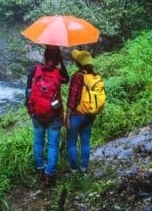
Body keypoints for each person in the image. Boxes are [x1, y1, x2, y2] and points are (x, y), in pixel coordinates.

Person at [25, 45, 69, 186]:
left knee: (38, 142)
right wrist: (61, 62)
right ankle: (50, 175)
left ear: (44, 55)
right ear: (57, 59)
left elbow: (28, 91)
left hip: (37, 113)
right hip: (54, 114)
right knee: (52, 146)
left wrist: (31, 110)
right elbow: (66, 78)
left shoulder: (35, 70)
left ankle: (40, 169)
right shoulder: (58, 73)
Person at [66, 49, 99, 174]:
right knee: (85, 142)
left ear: (78, 64)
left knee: (72, 143)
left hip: (77, 115)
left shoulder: (77, 77)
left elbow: (72, 99)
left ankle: (74, 170)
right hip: (90, 114)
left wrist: (68, 116)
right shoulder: (95, 76)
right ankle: (84, 169)